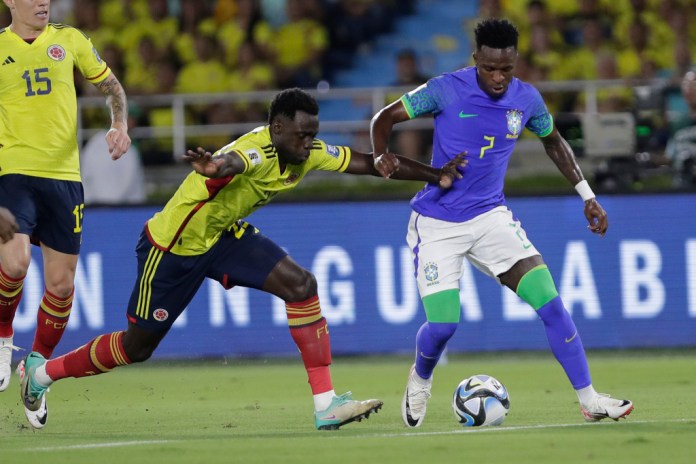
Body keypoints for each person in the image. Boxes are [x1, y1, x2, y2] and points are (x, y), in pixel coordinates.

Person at [19, 88, 466, 431]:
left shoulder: (306, 153)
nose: (310, 143)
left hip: (223, 236)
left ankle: (325, 404)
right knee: (138, 348)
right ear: (275, 130)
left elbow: (372, 163)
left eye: (313, 133)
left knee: (302, 285)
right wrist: (216, 168)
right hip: (172, 248)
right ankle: (43, 374)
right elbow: (234, 161)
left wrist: (435, 174)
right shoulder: (259, 150)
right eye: (302, 134)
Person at [369, 18, 634, 428]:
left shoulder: (526, 99)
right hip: (437, 223)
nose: (497, 77)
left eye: (505, 69)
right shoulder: (444, 88)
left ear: (515, 62)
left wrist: (587, 195)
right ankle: (421, 376)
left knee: (551, 303)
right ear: (476, 59)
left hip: (491, 217)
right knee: (442, 326)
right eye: (489, 68)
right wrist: (380, 153)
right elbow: (383, 118)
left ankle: (590, 399)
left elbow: (554, 141)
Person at [0, 0, 131, 422]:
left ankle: (35, 370)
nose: (43, 2)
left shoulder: (69, 40)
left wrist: (119, 124)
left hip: (64, 180)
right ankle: (3, 338)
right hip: (13, 172)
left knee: (60, 285)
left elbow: (112, 87)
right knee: (15, 263)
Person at [665, 70, 696, 187]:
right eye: (686, 85)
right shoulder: (678, 123)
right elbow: (671, 155)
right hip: (681, 184)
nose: (689, 89)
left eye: (693, 85)